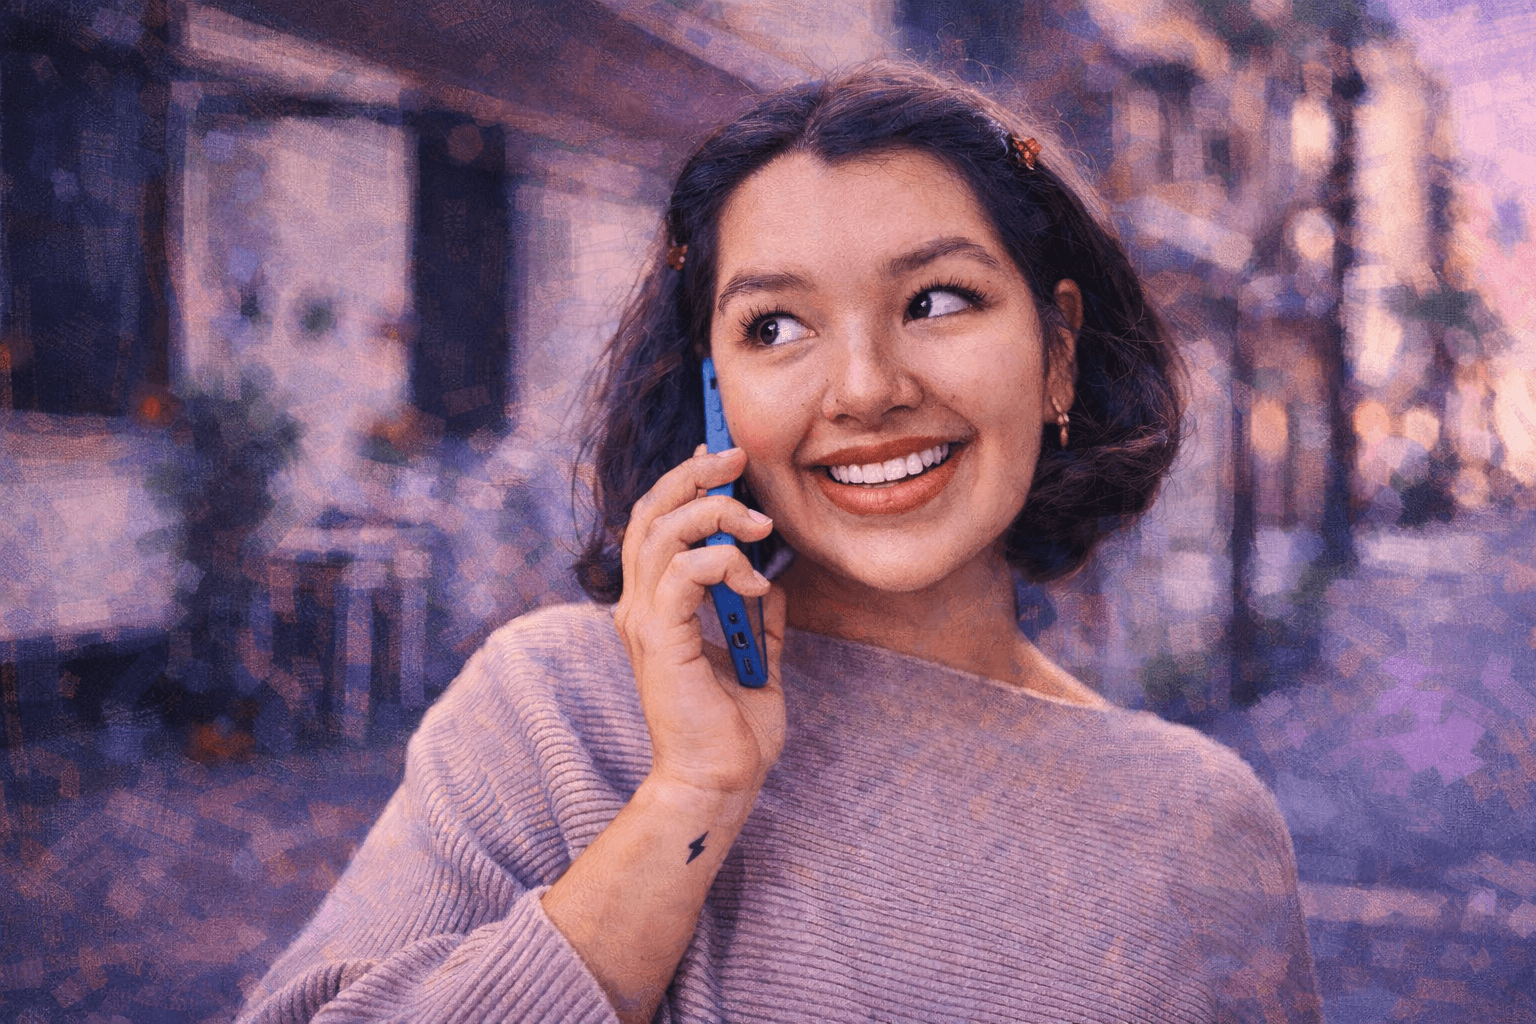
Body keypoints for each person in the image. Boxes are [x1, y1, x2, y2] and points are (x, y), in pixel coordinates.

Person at [238, 64, 1321, 1024]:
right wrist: (689, 798)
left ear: (1059, 354)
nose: (864, 389)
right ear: (715, 396)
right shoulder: (551, 709)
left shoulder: (1197, 830)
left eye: (938, 300)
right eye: (776, 326)